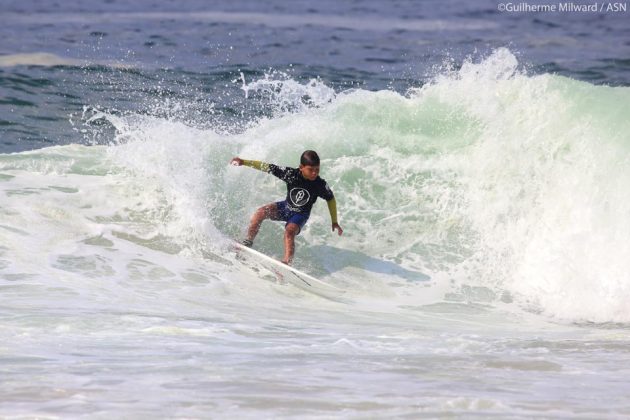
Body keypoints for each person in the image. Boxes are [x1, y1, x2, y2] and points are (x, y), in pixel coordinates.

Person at [230, 150, 343, 265]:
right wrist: (244, 162)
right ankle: (247, 242)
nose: (314, 173)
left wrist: (334, 221)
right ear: (301, 167)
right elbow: (267, 167)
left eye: (317, 170)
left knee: (289, 232)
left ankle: (287, 262)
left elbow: (331, 199)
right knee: (260, 212)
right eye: (311, 169)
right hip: (285, 207)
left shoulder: (320, 184)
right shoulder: (290, 174)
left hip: (300, 215)